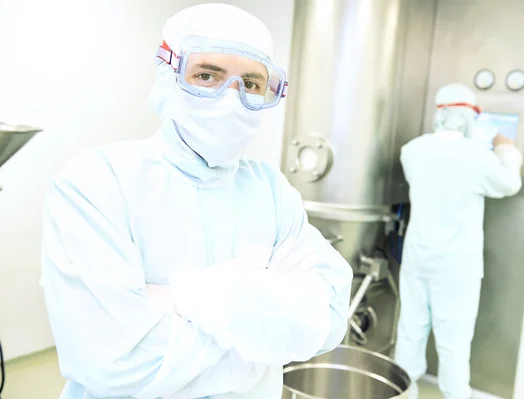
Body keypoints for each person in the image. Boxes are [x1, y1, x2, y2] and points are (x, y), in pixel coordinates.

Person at [39, 3, 352, 399]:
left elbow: (329, 320)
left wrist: (184, 297)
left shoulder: (272, 191)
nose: (231, 98)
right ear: (168, 75)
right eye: (207, 75)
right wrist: (266, 323)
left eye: (252, 84)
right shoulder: (95, 183)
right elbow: (114, 361)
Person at [394, 83, 523, 399]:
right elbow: (510, 184)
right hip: (455, 267)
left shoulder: (412, 150)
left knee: (410, 332)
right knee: (453, 342)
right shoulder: (477, 157)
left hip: (417, 258)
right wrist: (506, 149)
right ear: (469, 116)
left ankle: (401, 394)